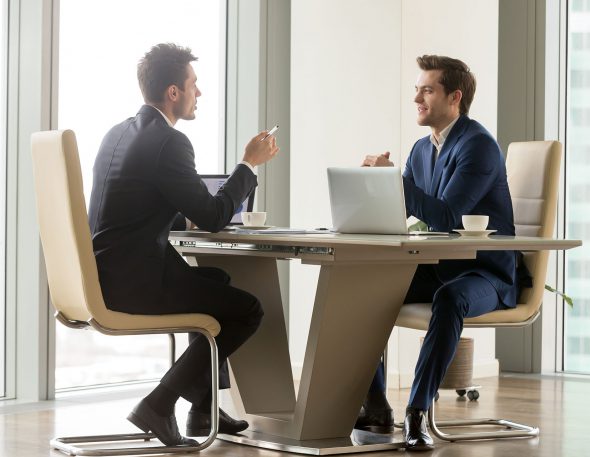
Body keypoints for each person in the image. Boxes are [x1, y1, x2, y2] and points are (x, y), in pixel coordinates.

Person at [88, 43, 279, 446]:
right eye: (194, 84)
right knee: (247, 310)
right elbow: (213, 217)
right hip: (132, 285)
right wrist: (248, 165)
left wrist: (184, 212)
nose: (200, 93)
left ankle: (202, 409)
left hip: (102, 275)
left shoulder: (117, 132)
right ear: (173, 92)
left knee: (217, 281)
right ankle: (159, 403)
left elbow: (133, 205)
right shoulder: (169, 142)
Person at [358, 55, 517, 451]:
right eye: (417, 89)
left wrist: (392, 181)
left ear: (455, 97)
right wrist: (373, 190)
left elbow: (447, 216)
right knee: (366, 289)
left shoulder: (478, 145)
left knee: (450, 299)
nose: (417, 97)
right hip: (441, 265)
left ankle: (416, 411)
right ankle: (375, 404)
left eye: (427, 90)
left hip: (485, 274)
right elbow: (404, 208)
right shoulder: (420, 149)